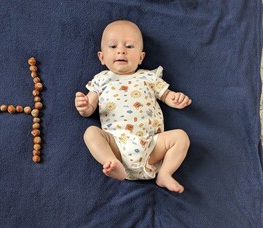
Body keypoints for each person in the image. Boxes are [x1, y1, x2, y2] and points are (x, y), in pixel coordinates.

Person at [75, 20, 191, 193]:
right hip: (116, 144)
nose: (121, 50)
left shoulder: (148, 77)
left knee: (181, 137)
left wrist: (175, 99)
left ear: (141, 57)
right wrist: (84, 106)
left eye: (129, 46)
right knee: (90, 133)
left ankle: (165, 173)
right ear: (102, 57)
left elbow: (166, 95)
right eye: (113, 46)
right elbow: (90, 107)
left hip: (151, 145)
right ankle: (112, 164)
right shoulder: (101, 79)